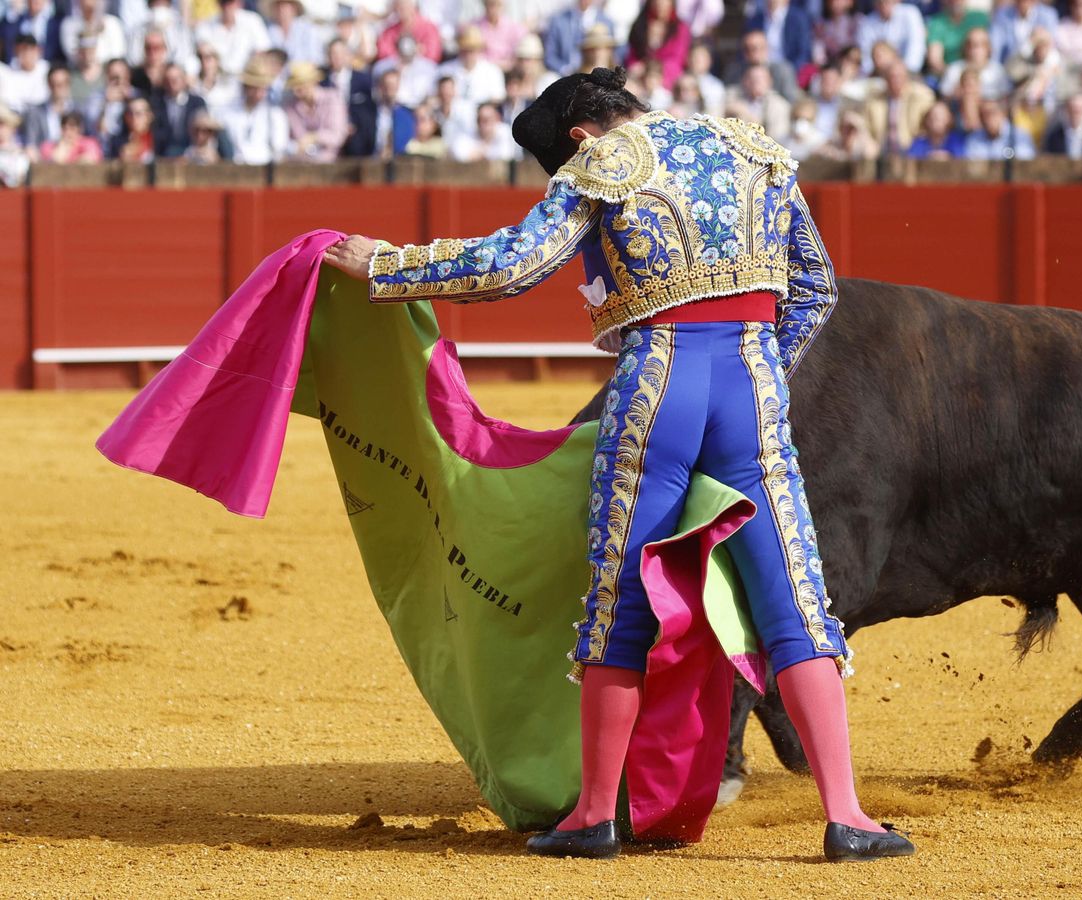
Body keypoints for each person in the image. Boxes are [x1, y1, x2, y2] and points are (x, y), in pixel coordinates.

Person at [320, 66, 913, 864]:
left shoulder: (606, 162)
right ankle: (848, 817)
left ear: (579, 136)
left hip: (657, 385)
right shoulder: (752, 146)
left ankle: (595, 815)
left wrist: (390, 266)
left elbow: (513, 266)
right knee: (794, 601)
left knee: (622, 601)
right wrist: (765, 370)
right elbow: (814, 286)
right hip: (751, 384)